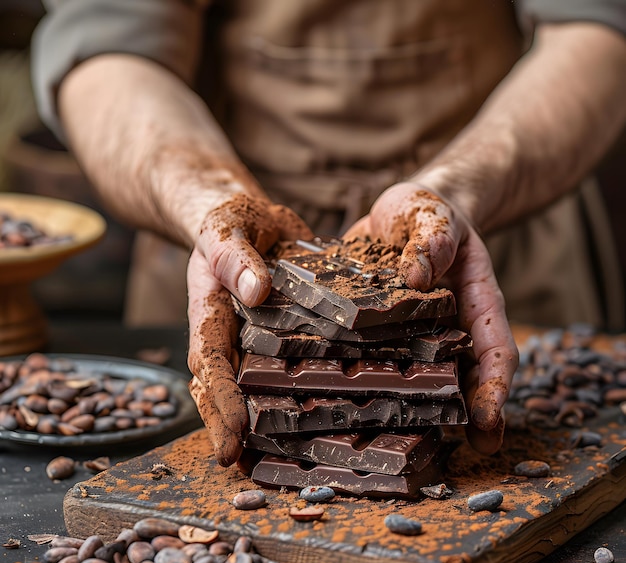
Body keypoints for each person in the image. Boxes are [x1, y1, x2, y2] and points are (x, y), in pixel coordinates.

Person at [30, 1, 626, 466]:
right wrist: (215, 203)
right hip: (218, 237)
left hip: (490, 215)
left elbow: (597, 31)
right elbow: (107, 51)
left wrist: (457, 192)